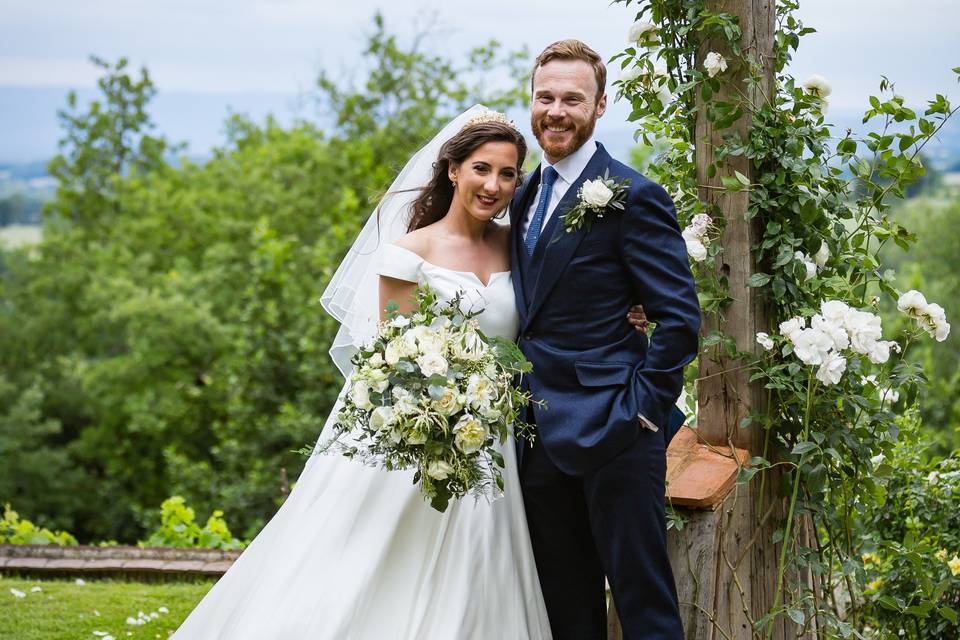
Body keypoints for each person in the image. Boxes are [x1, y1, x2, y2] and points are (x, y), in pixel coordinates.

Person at [512, 40, 701, 640]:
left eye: (573, 98)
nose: (557, 110)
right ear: (532, 100)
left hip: (616, 427)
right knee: (565, 605)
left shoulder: (632, 195)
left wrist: (643, 410)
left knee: (642, 599)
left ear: (600, 105)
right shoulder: (522, 198)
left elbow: (679, 318)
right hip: (537, 428)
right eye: (547, 97)